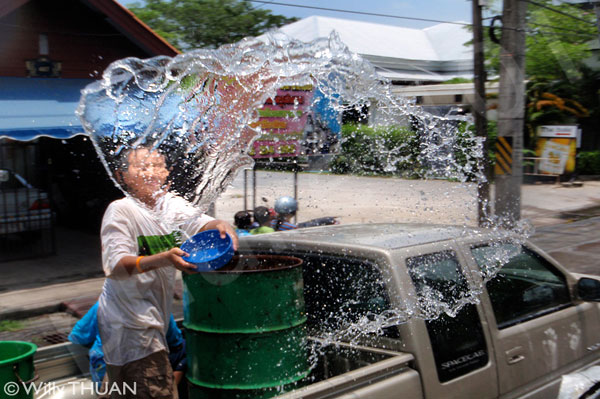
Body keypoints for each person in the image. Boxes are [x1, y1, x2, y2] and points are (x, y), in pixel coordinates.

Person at [98, 146, 237, 399]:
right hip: (131, 323)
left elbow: (199, 223)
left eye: (157, 165)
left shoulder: (169, 204)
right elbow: (115, 266)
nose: (150, 172)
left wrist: (219, 224)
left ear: (167, 173)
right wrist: (163, 258)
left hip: (148, 321)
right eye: (141, 167)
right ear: (122, 176)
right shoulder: (121, 210)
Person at [68, 303, 188, 398]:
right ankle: (171, 389)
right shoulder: (156, 305)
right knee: (184, 350)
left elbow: (78, 336)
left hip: (104, 369)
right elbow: (175, 341)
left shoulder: (103, 304)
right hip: (141, 374)